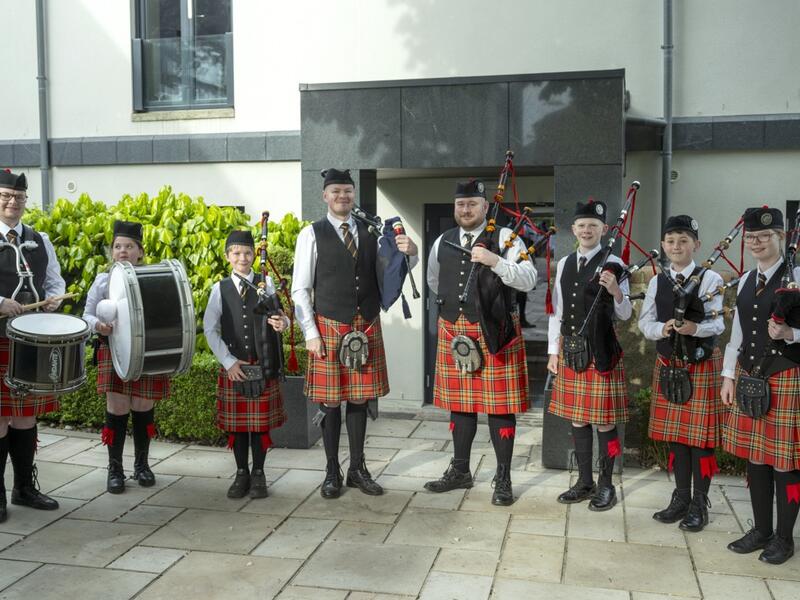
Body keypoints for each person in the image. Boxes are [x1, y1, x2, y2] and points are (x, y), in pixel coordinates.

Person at [291, 168, 418, 499]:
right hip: (329, 326)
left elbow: (393, 268)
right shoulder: (311, 234)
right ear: (325, 196)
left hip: (366, 323)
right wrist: (310, 332)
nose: (342, 196)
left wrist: (412, 252)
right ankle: (332, 470)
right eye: (336, 191)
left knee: (360, 397)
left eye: (347, 191)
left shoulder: (370, 230)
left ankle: (357, 469)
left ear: (353, 195)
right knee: (331, 401)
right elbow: (300, 289)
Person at [424, 180, 536, 505]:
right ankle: (460, 470)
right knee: (460, 405)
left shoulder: (505, 237)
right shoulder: (442, 240)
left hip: (495, 329)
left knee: (500, 407)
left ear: (485, 206)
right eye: (461, 204)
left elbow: (529, 279)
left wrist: (495, 261)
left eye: (473, 203)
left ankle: (503, 477)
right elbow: (434, 280)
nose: (466, 209)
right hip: (455, 329)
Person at [721, 206, 800, 565]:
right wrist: (728, 375)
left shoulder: (796, 276)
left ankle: (784, 538)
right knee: (756, 456)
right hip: (749, 375)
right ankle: (762, 531)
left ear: (780, 237)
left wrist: (790, 333)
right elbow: (737, 334)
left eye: (764, 236)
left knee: (784, 462)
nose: (756, 242)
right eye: (751, 237)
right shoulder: (745, 281)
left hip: (785, 375)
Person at [638, 215, 725, 532]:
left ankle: (699, 503)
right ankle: (681, 498)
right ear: (663, 245)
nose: (676, 246)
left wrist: (694, 328)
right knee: (676, 438)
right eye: (671, 241)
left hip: (700, 364)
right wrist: (661, 329)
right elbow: (645, 323)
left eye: (683, 241)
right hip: (669, 363)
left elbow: (719, 323)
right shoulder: (656, 281)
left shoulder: (710, 278)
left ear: (696, 245)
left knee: (700, 442)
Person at [547, 199, 632, 511]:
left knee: (605, 422)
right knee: (578, 419)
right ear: (573, 230)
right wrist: (553, 351)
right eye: (582, 225)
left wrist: (616, 291)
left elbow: (624, 313)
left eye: (593, 226)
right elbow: (557, 311)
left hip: (600, 351)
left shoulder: (615, 264)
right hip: (571, 350)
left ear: (604, 229)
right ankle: (585, 482)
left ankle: (606, 485)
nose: (587, 230)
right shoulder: (565, 263)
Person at [83, 220, 170, 494]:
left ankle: (142, 465)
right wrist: (99, 326)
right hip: (113, 350)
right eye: (118, 246)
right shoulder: (103, 280)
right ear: (112, 251)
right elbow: (86, 316)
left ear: (140, 252)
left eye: (129, 246)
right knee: (117, 407)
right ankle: (115, 469)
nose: (122, 251)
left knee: (143, 406)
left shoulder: (153, 277)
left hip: (146, 351)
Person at [204, 230, 289, 499]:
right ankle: (242, 473)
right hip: (235, 366)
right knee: (238, 427)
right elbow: (210, 329)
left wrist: (282, 323)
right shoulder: (219, 289)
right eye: (237, 253)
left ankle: (259, 474)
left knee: (260, 426)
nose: (242, 257)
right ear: (228, 256)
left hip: (263, 363)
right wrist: (228, 362)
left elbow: (282, 317)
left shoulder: (266, 284)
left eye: (247, 252)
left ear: (254, 255)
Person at [0, 169, 65, 522]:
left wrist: (53, 298)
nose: (13, 202)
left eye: (19, 197)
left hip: (31, 340)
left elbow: (54, 279)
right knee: (0, 418)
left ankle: (24, 488)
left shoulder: (40, 240)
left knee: (25, 416)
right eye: (6, 196)